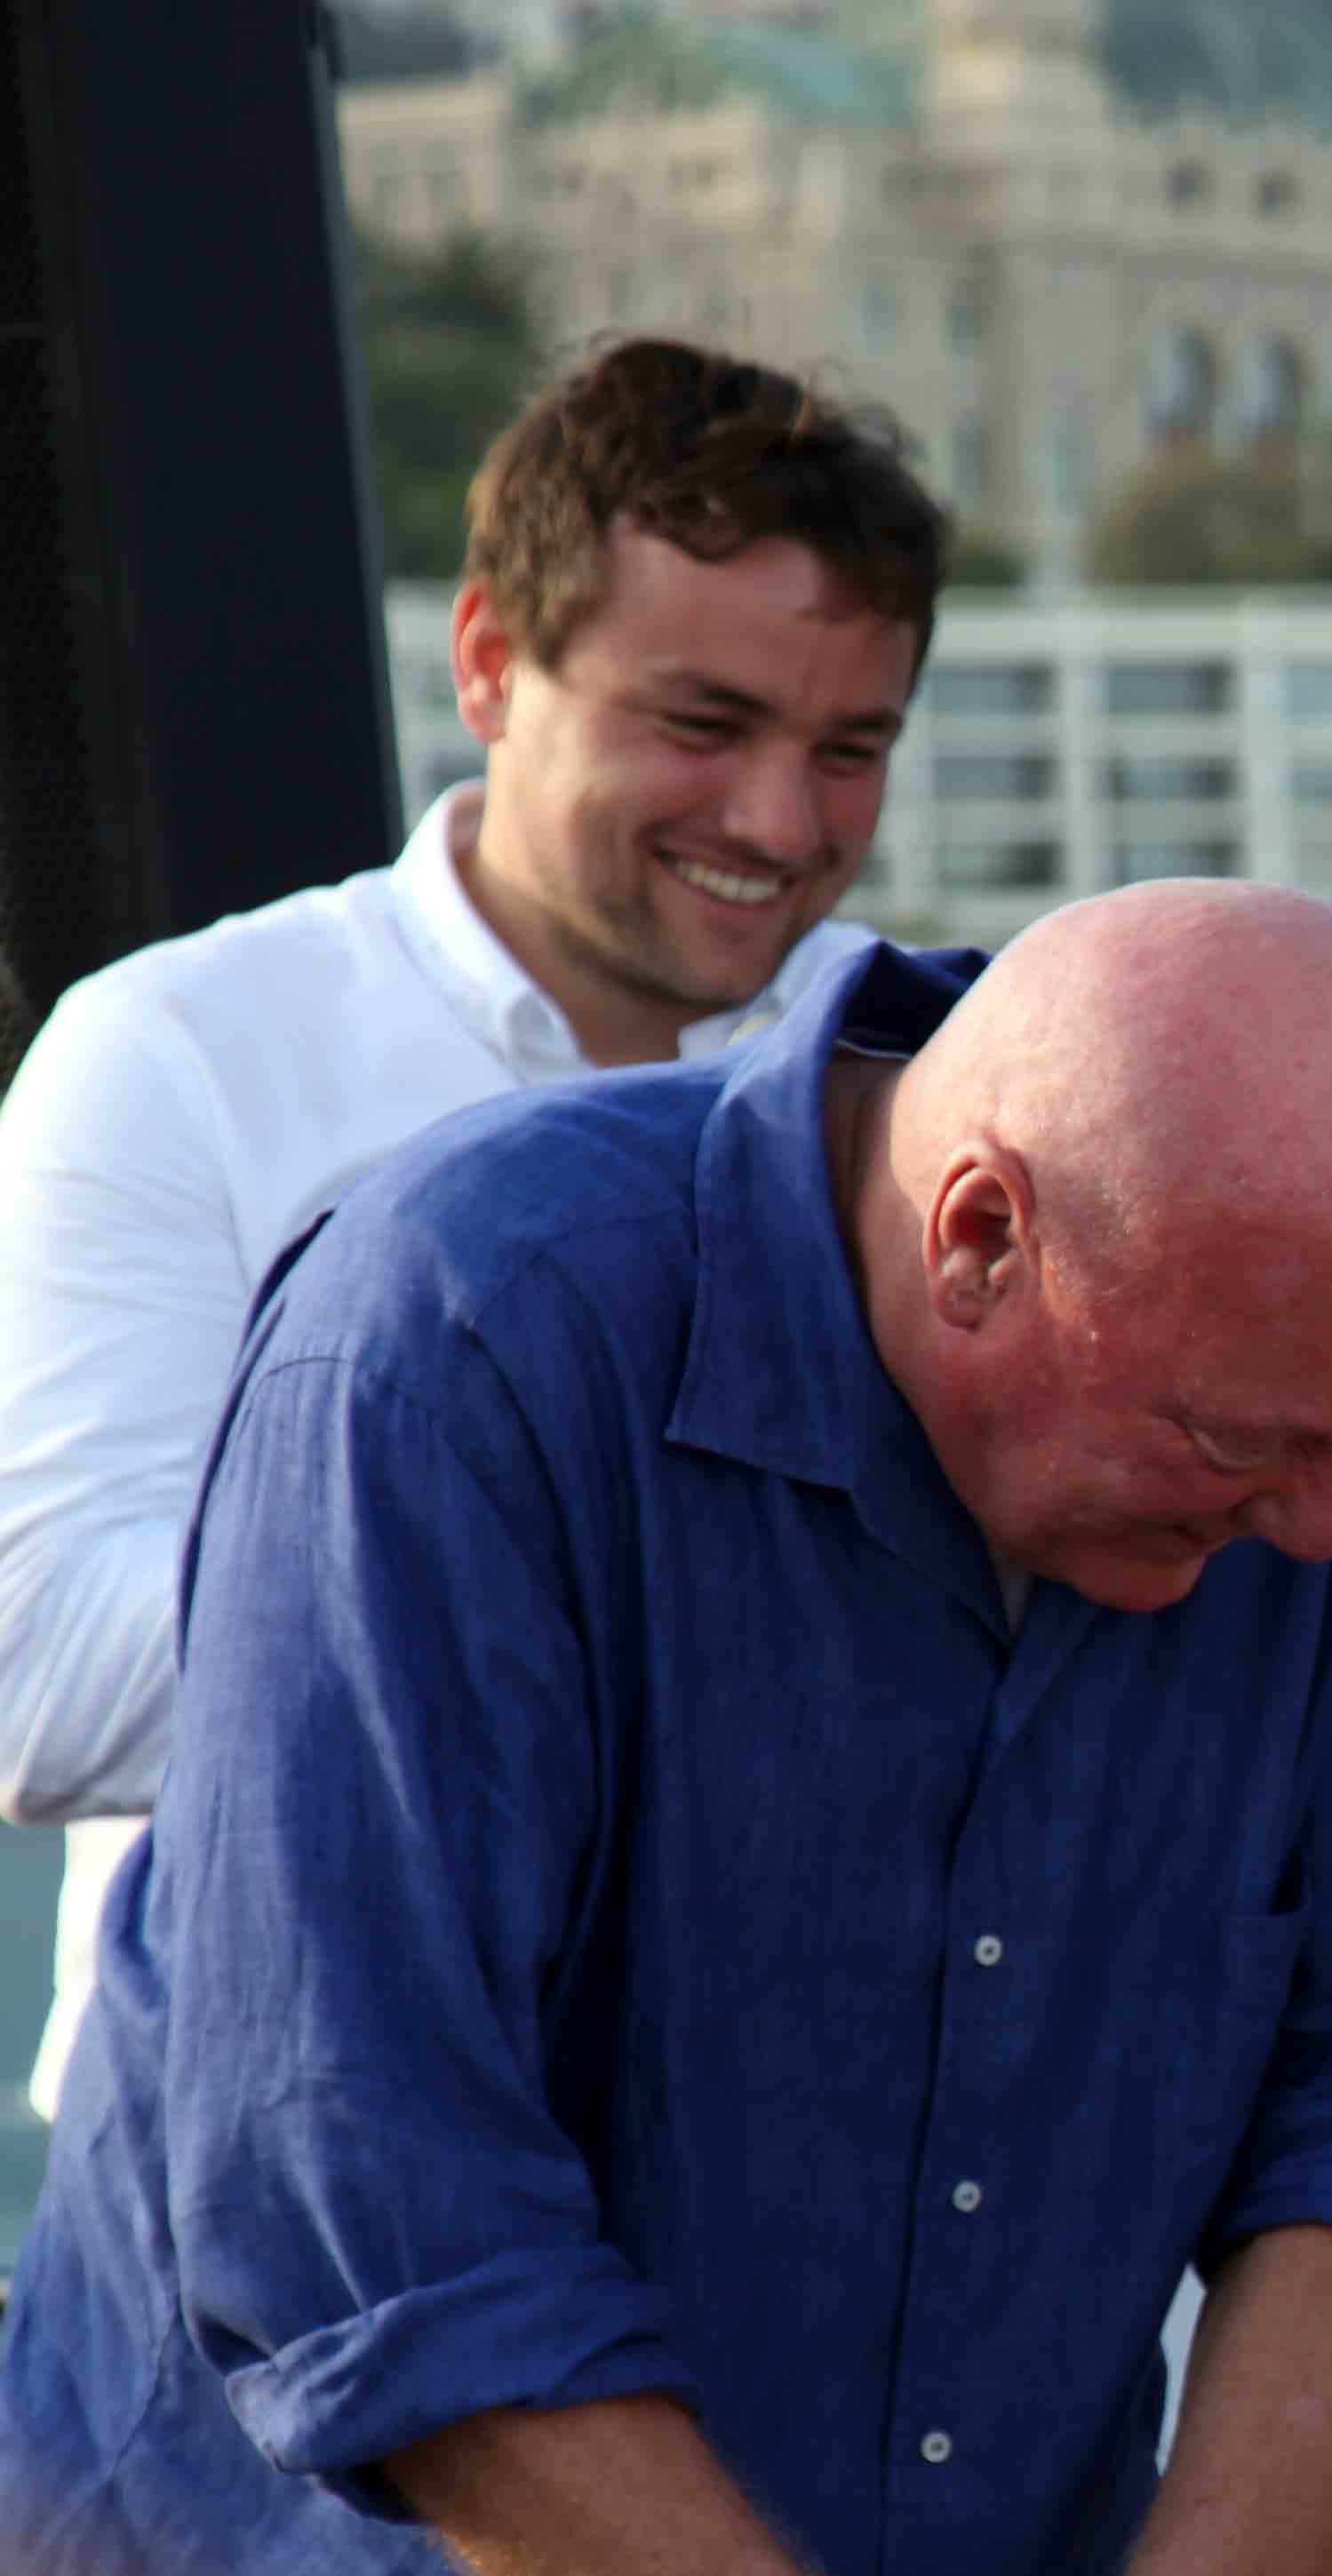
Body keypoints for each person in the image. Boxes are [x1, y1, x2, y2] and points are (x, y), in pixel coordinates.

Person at [0, 881, 1332, 2576]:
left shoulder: (1331, 1390)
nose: (1327, 1533)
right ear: (977, 1238)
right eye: (1245, 1451)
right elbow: (360, 2205)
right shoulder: (454, 1334)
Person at [0, 334, 930, 2126]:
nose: (781, 821)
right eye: (704, 725)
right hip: (274, 2182)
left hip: (778, 2165)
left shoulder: (915, 1075)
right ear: (493, 662)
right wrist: (660, 1585)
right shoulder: (176, 1054)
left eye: (850, 748)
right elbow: (42, 1682)